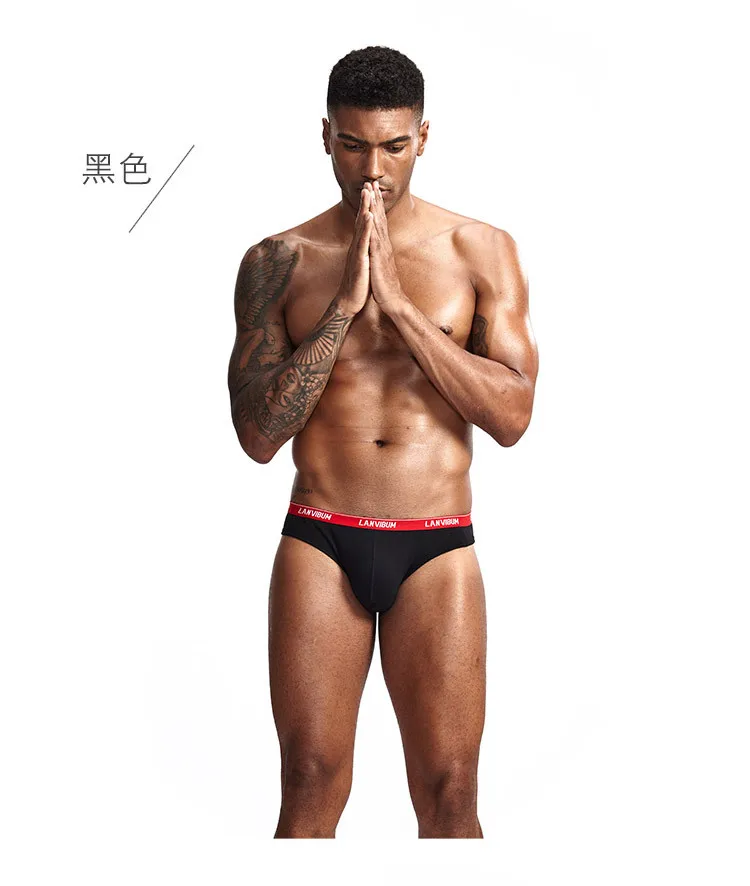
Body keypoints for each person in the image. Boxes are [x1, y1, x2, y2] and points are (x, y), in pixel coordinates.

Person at [227, 45, 539, 838]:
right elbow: (258, 437)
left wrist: (398, 307)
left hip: (435, 542)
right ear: (325, 136)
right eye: (354, 145)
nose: (374, 169)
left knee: (451, 794)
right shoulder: (278, 260)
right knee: (308, 781)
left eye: (395, 146)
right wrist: (343, 307)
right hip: (321, 537)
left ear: (423, 137)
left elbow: (512, 417)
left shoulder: (480, 249)